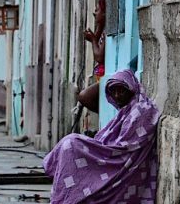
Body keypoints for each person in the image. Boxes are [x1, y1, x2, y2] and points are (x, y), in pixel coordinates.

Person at [44, 70, 160, 203]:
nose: (117, 95)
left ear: (131, 89)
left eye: (121, 91)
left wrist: (100, 152)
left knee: (71, 144)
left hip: (122, 163)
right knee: (70, 144)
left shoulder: (141, 110)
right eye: (113, 91)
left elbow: (125, 148)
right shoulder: (127, 111)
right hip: (112, 155)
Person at [77, 0, 106, 113]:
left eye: (97, 10)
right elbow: (97, 41)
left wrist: (93, 39)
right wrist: (99, 26)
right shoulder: (103, 29)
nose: (94, 13)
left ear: (105, 13)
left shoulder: (107, 32)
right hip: (101, 77)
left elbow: (99, 56)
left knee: (84, 96)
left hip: (106, 78)